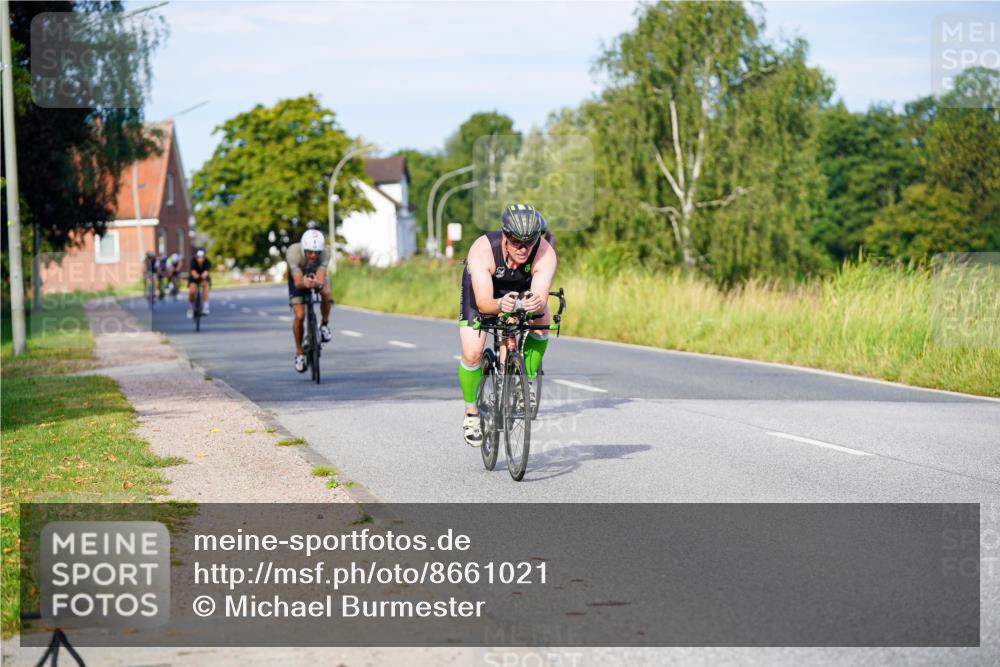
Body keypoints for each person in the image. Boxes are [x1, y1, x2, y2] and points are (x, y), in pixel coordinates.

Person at [457, 204, 557, 447]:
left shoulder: (545, 252)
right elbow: (484, 303)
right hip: (484, 294)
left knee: (542, 320)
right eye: (516, 242)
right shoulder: (483, 250)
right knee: (472, 353)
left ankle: (524, 381)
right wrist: (501, 304)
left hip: (520, 288)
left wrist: (533, 304)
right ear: (505, 235)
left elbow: (540, 297)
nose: (523, 248)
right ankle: (471, 413)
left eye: (529, 242)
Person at [285, 229, 334, 373]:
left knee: (326, 292)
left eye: (316, 252)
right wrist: (305, 284)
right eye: (309, 252)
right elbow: (298, 282)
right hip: (298, 277)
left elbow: (320, 278)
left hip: (315, 275)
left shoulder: (325, 252)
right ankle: (299, 353)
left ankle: (324, 325)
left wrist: (317, 284)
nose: (313, 256)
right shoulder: (293, 253)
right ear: (303, 249)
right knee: (300, 315)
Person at [187, 249, 212, 317]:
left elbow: (206, 272)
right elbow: (193, 272)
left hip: (203, 276)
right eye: (198, 257)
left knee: (205, 285)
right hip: (194, 276)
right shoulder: (193, 261)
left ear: (204, 257)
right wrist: (196, 276)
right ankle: (190, 307)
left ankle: (206, 307)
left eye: (201, 257)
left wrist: (203, 276)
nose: (200, 259)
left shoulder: (207, 262)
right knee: (192, 290)